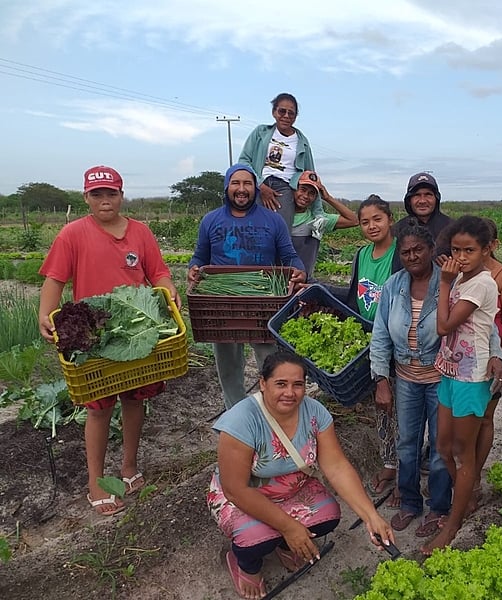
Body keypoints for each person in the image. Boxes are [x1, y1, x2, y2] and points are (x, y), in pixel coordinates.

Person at [38, 165, 180, 516]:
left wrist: (168, 288)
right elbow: (55, 279)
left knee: (135, 402)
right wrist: (46, 313)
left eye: (111, 193)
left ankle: (129, 468)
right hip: (96, 339)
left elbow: (158, 271)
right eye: (96, 194)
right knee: (99, 411)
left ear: (121, 195)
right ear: (86, 197)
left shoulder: (141, 233)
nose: (105, 201)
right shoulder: (72, 234)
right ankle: (96, 484)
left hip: (135, 335)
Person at [208, 351, 395, 599]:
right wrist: (289, 526)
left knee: (328, 516)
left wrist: (371, 516)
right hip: (244, 495)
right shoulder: (240, 421)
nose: (290, 392)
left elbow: (336, 466)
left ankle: (285, 546)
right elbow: (235, 489)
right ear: (263, 383)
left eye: (298, 384)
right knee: (256, 540)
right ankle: (246, 565)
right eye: (280, 384)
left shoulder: (314, 412)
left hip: (290, 486)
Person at [370, 220, 502, 538]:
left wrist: (497, 355)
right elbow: (379, 336)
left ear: (432, 250)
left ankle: (441, 508)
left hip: (442, 376)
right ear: (399, 255)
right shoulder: (393, 286)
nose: (413, 256)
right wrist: (381, 379)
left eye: (419, 249)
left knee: (440, 449)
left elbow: (481, 327)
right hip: (406, 377)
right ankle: (410, 503)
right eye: (406, 252)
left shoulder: (453, 282)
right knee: (407, 442)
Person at [188, 163, 306, 410]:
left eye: (247, 184)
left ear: (255, 188)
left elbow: (289, 255)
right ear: (227, 187)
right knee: (228, 364)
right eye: (236, 183)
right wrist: (194, 269)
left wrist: (299, 270)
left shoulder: (273, 221)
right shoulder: (211, 221)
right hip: (222, 304)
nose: (241, 189)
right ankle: (236, 414)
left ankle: (273, 412)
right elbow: (200, 257)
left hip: (263, 302)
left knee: (269, 360)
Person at [425, 216, 502, 555]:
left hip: (471, 379)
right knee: (443, 446)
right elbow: (485, 326)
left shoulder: (481, 283)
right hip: (449, 372)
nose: (461, 257)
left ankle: (453, 525)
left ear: (486, 250)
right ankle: (467, 492)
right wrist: (451, 278)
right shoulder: (463, 277)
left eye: (469, 250)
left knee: (462, 453)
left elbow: (444, 326)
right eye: (456, 250)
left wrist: (444, 283)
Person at [327, 195, 402, 506]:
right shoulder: (362, 254)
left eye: (377, 219)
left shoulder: (402, 251)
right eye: (365, 221)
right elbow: (354, 294)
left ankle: (406, 471)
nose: (372, 226)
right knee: (382, 406)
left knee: (405, 407)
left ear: (389, 219)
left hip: (400, 341)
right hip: (369, 342)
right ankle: (389, 463)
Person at [473, 219, 502, 503]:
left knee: (485, 418)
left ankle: (475, 477)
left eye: (481, 245)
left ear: (492, 246)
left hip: (494, 359)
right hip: (466, 358)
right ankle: (462, 474)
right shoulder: (464, 272)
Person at [238, 93, 323, 233]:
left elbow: (311, 176)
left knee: (280, 233)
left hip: (284, 189)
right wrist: (260, 185)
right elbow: (244, 160)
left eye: (291, 113)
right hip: (259, 184)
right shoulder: (261, 132)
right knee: (252, 230)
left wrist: (318, 212)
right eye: (282, 111)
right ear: (274, 112)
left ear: (296, 116)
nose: (286, 116)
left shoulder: (302, 142)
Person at [288, 170, 358, 278]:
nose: (306, 196)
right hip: (276, 279)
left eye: (312, 193)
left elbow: (354, 220)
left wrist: (327, 198)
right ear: (293, 189)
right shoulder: (279, 215)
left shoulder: (317, 220)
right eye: (303, 190)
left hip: (303, 281)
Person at [394, 172, 453, 259]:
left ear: (436, 198)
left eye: (428, 195)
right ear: (409, 200)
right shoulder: (397, 230)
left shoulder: (452, 227)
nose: (422, 201)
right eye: (417, 195)